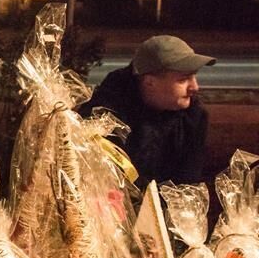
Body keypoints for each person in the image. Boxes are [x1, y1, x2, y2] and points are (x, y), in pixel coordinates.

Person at [79, 35, 215, 187]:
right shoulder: (105, 116)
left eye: (194, 76)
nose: (195, 87)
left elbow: (188, 183)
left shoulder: (193, 117)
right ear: (150, 82)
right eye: (183, 80)